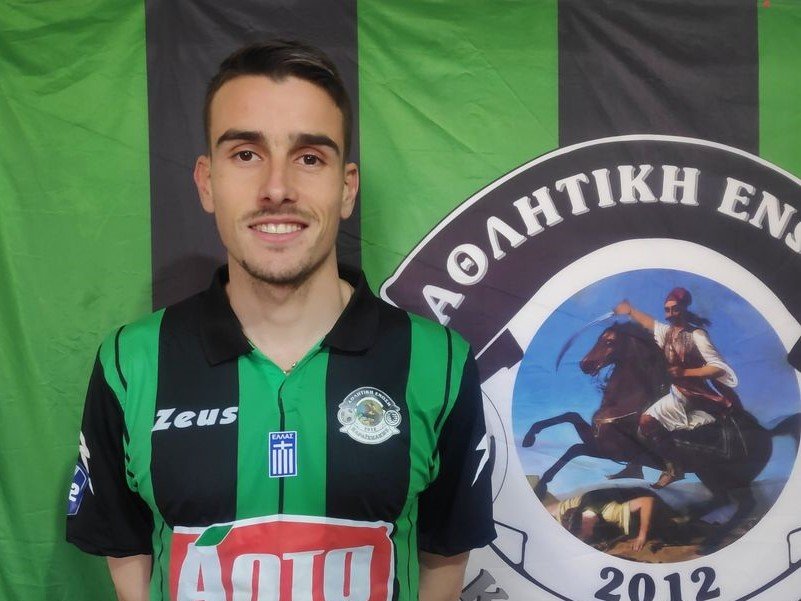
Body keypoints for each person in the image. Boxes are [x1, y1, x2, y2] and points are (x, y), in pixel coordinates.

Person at [66, 40, 495, 601]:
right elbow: (125, 545)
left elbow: (445, 550)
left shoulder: (439, 363)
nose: (276, 188)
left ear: (346, 188)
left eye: (309, 157)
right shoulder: (131, 362)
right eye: (246, 154)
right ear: (206, 182)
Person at [614, 287, 740, 489]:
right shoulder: (667, 332)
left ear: (684, 308)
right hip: (675, 390)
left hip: (693, 394)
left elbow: (718, 368)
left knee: (646, 420)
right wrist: (630, 310)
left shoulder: (697, 335)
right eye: (667, 310)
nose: (670, 314)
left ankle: (674, 469)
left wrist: (685, 372)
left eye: (675, 309)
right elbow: (649, 323)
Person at [551, 487, 686, 552]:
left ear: (584, 523)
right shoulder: (576, 510)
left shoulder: (610, 512)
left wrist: (642, 536)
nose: (583, 538)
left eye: (582, 535)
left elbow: (647, 501)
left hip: (646, 504)